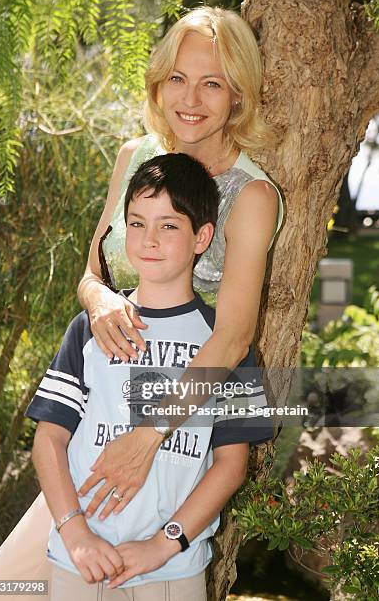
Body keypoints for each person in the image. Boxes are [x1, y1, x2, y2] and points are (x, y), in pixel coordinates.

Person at [0, 5, 283, 596]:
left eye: (212, 82)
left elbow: (233, 337)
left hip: (179, 420)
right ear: (157, 84)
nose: (190, 97)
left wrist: (148, 439)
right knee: (12, 584)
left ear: (238, 97)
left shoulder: (252, 195)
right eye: (177, 78)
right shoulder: (133, 157)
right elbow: (92, 273)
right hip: (99, 403)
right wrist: (98, 304)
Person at [26, 152, 272, 600]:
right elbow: (49, 438)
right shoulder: (92, 327)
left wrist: (163, 545)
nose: (149, 240)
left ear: (202, 237)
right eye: (137, 223)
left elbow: (231, 466)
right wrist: (75, 532)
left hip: (171, 573)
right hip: (78, 562)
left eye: (168, 225)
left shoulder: (225, 343)